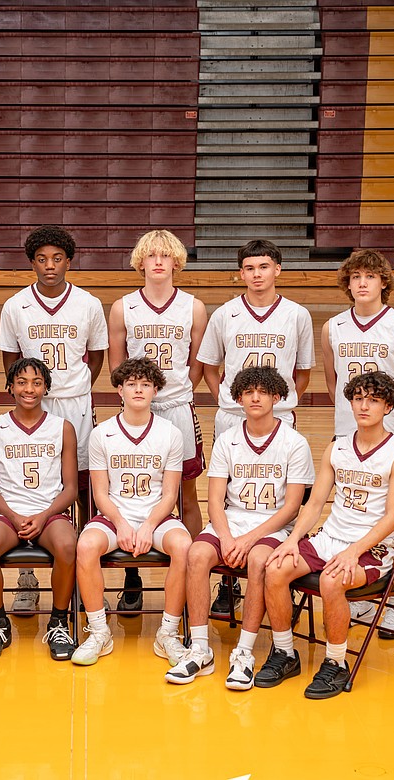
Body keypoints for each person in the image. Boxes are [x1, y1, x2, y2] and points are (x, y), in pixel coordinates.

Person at [260, 371, 394, 699]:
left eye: (373, 399)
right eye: (358, 398)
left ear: (388, 406)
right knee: (274, 569)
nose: (363, 406)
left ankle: (336, 663)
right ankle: (286, 653)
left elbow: (392, 518)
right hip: (329, 537)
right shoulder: (337, 446)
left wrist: (354, 551)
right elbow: (315, 503)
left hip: (375, 548)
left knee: (331, 581)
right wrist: (291, 539)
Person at [166, 366, 313, 687]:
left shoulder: (295, 442)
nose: (255, 398)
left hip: (272, 529)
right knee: (197, 553)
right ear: (239, 398)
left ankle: (244, 653)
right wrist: (229, 537)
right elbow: (215, 500)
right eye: (248, 392)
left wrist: (246, 540)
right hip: (230, 524)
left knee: (260, 560)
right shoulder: (228, 440)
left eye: (262, 392)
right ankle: (200, 648)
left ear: (277, 396)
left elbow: (291, 507)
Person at [197, 238, 314, 615]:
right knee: (233, 491)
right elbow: (210, 366)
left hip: (279, 414)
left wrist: (280, 401)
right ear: (241, 273)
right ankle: (227, 584)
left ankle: (285, 578)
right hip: (233, 414)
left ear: (277, 270)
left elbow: (304, 372)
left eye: (264, 267)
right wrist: (226, 399)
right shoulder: (225, 314)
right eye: (249, 268)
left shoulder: (297, 315)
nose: (257, 274)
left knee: (281, 492)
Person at [0, 225, 108, 612]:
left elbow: (95, 358)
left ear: (69, 261)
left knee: (79, 488)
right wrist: (32, 392)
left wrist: (71, 389)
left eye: (57, 258)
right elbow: (12, 361)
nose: (49, 266)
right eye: (42, 259)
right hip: (34, 401)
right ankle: (26, 576)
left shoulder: (89, 304)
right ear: (32, 262)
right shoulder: (15, 306)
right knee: (27, 483)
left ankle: (80, 575)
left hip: (74, 404)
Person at [107, 230, 208, 613]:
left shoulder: (194, 307)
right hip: (134, 408)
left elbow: (197, 364)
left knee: (186, 492)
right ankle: (132, 577)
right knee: (130, 490)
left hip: (177, 407)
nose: (159, 261)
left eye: (166, 255)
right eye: (152, 255)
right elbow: (118, 364)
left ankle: (197, 570)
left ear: (177, 263)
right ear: (141, 263)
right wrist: (137, 398)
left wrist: (172, 394)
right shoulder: (123, 307)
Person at [322, 248, 394, 637]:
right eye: (355, 277)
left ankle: (393, 597)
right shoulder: (333, 327)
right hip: (348, 432)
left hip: (390, 434)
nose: (362, 283)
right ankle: (358, 592)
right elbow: (333, 381)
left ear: (383, 282)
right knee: (353, 509)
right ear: (348, 284)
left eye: (370, 276)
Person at [71, 357, 191, 667]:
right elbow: (99, 493)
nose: (139, 390)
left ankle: (168, 633)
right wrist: (122, 524)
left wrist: (149, 526)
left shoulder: (170, 433)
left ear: (155, 391)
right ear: (120, 391)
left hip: (157, 516)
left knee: (184, 546)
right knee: (85, 546)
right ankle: (99, 632)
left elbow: (169, 494)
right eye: (132, 384)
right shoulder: (102, 433)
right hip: (115, 516)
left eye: (146, 385)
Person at [0, 358, 79, 661]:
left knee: (68, 545)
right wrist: (14, 516)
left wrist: (43, 515)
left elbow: (71, 488)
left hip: (49, 513)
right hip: (8, 514)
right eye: (21, 382)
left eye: (36, 382)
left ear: (46, 387)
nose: (29, 389)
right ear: (10, 387)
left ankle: (59, 622)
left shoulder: (63, 428)